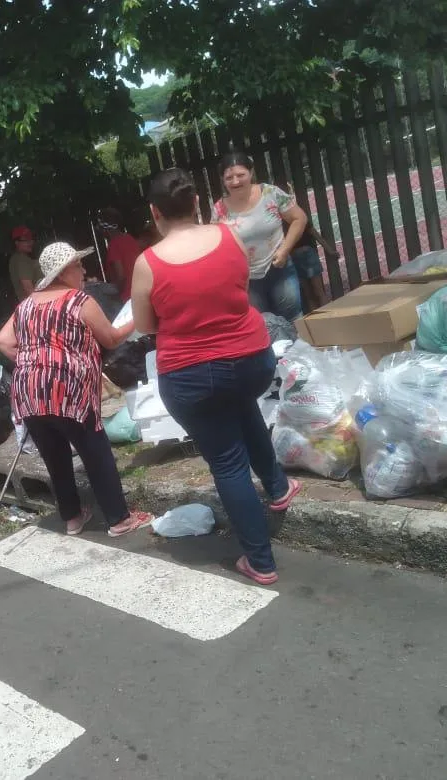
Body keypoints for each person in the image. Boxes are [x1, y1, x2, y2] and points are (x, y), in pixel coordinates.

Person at [130, 167, 302, 585]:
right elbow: (240, 288)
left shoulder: (147, 264)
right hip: (249, 359)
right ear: (195, 203)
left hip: (191, 376)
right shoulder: (230, 237)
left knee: (227, 464)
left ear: (155, 213)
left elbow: (146, 325)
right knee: (242, 406)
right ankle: (278, 488)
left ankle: (260, 561)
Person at [0, 242, 153, 537]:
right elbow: (112, 338)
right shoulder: (78, 300)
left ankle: (72, 519)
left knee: (55, 457)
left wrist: (35, 363)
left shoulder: (27, 305)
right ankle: (119, 519)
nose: (83, 270)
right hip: (69, 390)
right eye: (78, 266)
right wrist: (139, 316)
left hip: (29, 392)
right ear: (64, 270)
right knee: (96, 452)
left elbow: (4, 342)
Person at [212, 151, 308, 321]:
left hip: (279, 268)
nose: (235, 181)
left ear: (251, 173)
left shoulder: (271, 193)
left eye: (241, 175)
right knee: (261, 325)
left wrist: (285, 250)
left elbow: (299, 218)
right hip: (246, 280)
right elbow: (214, 243)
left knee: (294, 319)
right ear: (222, 180)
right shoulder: (219, 209)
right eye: (229, 177)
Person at [275, 178, 336, 312]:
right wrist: (329, 249)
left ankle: (317, 321)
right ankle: (325, 317)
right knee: (318, 291)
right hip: (304, 254)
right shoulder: (294, 213)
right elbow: (313, 232)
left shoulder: (276, 217)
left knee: (309, 294)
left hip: (294, 256)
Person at [97, 207, 142, 301]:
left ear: (105, 229)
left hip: (127, 297)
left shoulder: (114, 245)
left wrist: (115, 294)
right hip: (140, 292)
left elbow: (121, 276)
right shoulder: (129, 238)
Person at [7, 225, 41, 301]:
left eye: (31, 239)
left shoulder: (18, 258)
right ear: (16, 242)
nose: (31, 242)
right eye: (26, 240)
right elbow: (28, 288)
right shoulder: (21, 259)